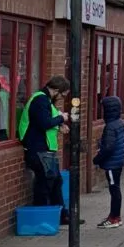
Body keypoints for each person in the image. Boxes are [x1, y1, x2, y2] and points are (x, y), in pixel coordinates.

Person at [17, 75, 74, 224]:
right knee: (45, 183)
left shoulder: (45, 100)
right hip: (38, 149)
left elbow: (45, 121)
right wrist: (62, 118)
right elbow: (44, 122)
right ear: (56, 90)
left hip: (45, 149)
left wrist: (59, 125)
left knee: (55, 181)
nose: (62, 98)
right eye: (62, 94)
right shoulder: (40, 100)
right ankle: (44, 218)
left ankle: (61, 215)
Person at [93, 96, 124, 229]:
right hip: (117, 161)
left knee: (114, 190)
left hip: (112, 163)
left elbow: (108, 147)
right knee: (115, 189)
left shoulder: (110, 127)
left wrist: (97, 159)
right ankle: (114, 216)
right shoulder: (119, 123)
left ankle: (114, 217)